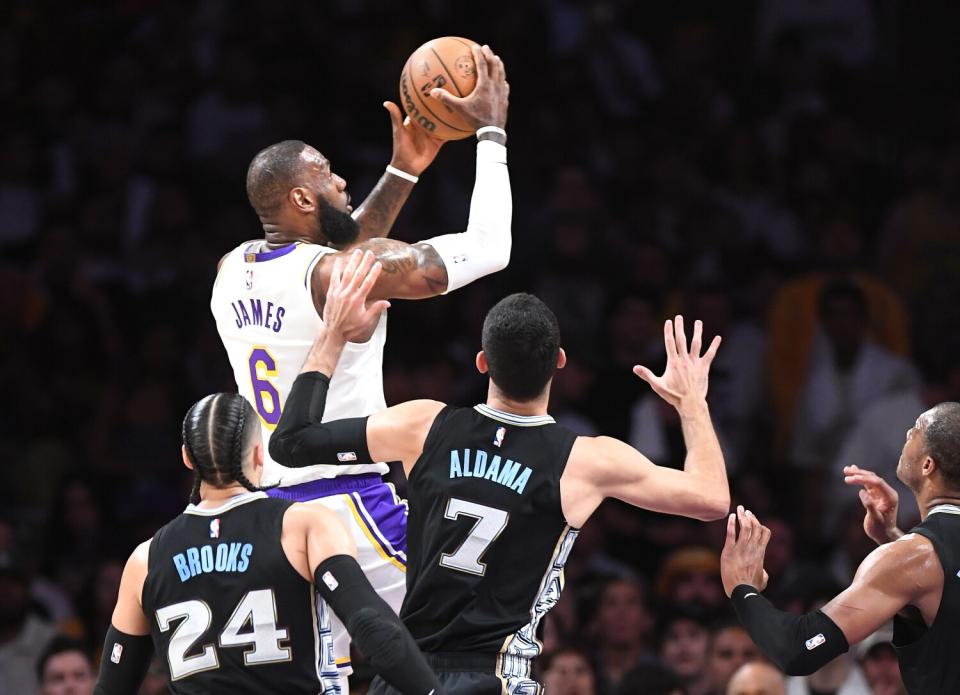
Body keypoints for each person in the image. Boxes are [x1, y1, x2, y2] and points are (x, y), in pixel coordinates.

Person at [210, 43, 510, 686]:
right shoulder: (338, 273)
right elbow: (492, 248)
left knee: (333, 676)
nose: (342, 180)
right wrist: (491, 131)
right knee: (475, 638)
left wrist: (404, 171)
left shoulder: (230, 271)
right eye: (327, 176)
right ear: (298, 195)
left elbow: (337, 244)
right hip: (349, 502)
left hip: (274, 512)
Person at [269, 290, 731, 692]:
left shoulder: (424, 425)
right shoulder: (586, 460)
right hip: (496, 674)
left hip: (405, 671)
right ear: (560, 362)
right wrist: (691, 403)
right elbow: (711, 499)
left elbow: (290, 443)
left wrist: (332, 334)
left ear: (483, 361)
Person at [93, 255, 440, 695]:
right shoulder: (299, 525)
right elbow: (372, 624)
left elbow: (112, 686)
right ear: (259, 455)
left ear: (186, 458)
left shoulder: (145, 560)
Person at [719, 402, 960, 694]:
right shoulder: (919, 558)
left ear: (927, 466)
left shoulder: (912, 559)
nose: (909, 431)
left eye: (917, 429)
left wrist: (741, 587)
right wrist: (892, 536)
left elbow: (800, 649)